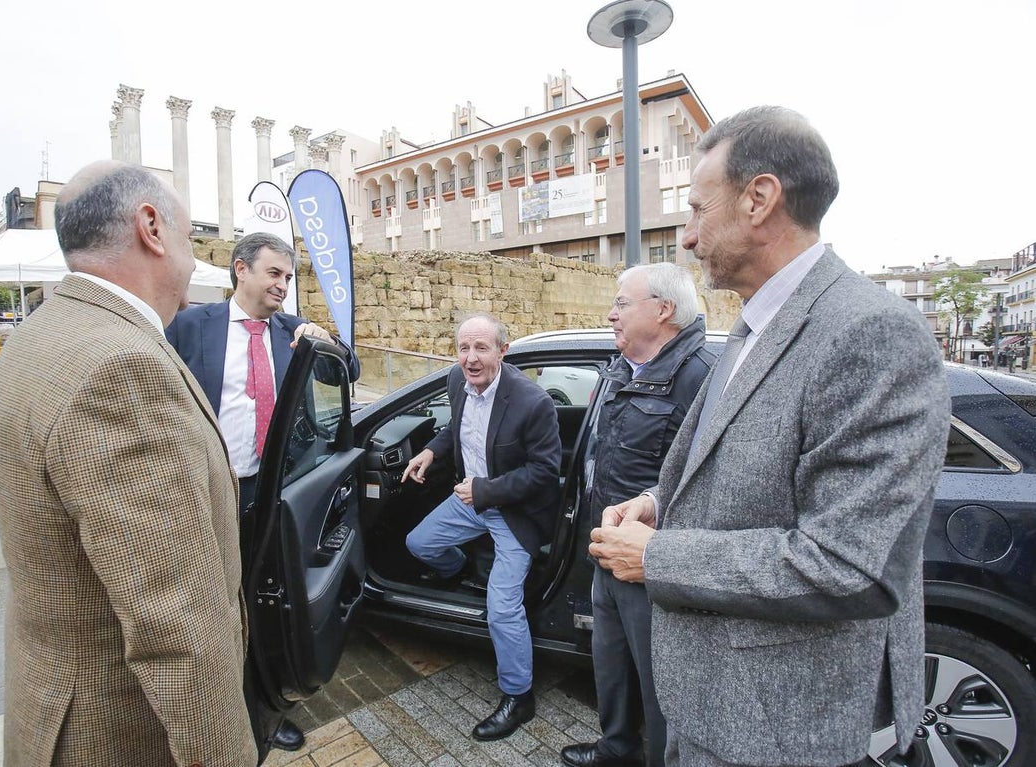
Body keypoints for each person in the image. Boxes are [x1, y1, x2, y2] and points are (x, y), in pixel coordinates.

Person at [589, 106, 949, 767]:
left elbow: (848, 565)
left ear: (759, 198)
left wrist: (657, 555)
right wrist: (658, 502)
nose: (689, 239)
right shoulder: (756, 325)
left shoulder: (871, 334)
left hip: (774, 729)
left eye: (697, 210)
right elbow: (743, 474)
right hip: (708, 710)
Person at [0, 161, 257, 767]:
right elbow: (178, 626)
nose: (190, 256)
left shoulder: (40, 334)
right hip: (120, 732)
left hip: (51, 708)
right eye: (188, 237)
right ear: (151, 228)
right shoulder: (121, 366)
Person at [165, 230, 358, 754]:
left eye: (288, 277)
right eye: (274, 273)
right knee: (215, 608)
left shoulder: (293, 330)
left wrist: (327, 340)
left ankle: (265, 713)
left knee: (263, 603)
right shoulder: (190, 326)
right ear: (240, 270)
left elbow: (348, 371)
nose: (283, 285)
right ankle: (216, 713)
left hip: (269, 490)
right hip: (208, 489)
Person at [561, 264, 714, 767]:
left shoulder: (702, 378)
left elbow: (707, 482)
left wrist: (651, 525)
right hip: (608, 549)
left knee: (660, 684)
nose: (611, 314)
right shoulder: (622, 367)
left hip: (654, 565)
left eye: (622, 303)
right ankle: (616, 749)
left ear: (663, 309)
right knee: (610, 664)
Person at [402, 312, 561, 741]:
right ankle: (461, 571)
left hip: (513, 512)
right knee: (419, 544)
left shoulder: (533, 402)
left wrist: (486, 491)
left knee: (502, 608)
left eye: (481, 348)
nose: (470, 359)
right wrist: (432, 453)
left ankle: (518, 696)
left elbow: (545, 472)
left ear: (503, 351)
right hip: (469, 500)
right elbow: (459, 427)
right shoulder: (457, 381)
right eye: (463, 348)